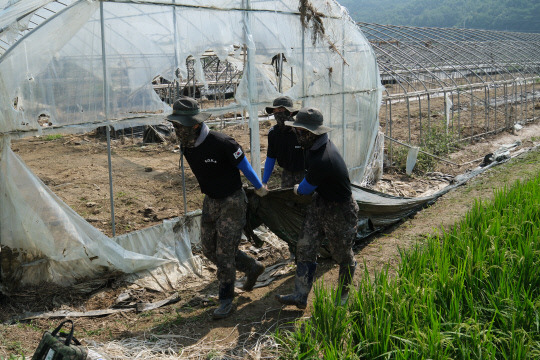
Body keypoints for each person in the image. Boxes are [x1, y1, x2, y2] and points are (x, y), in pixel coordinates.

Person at [167, 97, 268, 319]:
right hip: (210, 201)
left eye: (179, 126)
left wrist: (259, 187)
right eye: (174, 125)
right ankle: (251, 266)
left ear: (194, 125)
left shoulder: (224, 143)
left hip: (232, 202)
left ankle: (225, 300)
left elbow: (245, 167)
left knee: (224, 254)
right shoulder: (187, 146)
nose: (176, 130)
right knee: (209, 249)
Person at [275, 107, 359, 309]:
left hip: (340, 210)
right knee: (305, 245)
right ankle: (300, 295)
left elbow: (304, 189)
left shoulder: (324, 158)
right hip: (320, 202)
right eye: (297, 131)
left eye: (301, 132)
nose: (297, 135)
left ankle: (345, 291)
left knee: (342, 253)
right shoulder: (312, 148)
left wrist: (296, 189)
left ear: (314, 133)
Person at [262, 96, 305, 189]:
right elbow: (271, 157)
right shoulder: (273, 133)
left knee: (305, 201)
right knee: (286, 201)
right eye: (275, 111)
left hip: (304, 174)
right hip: (286, 175)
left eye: (280, 110)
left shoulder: (301, 131)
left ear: (290, 112)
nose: (278, 114)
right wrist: (264, 182)